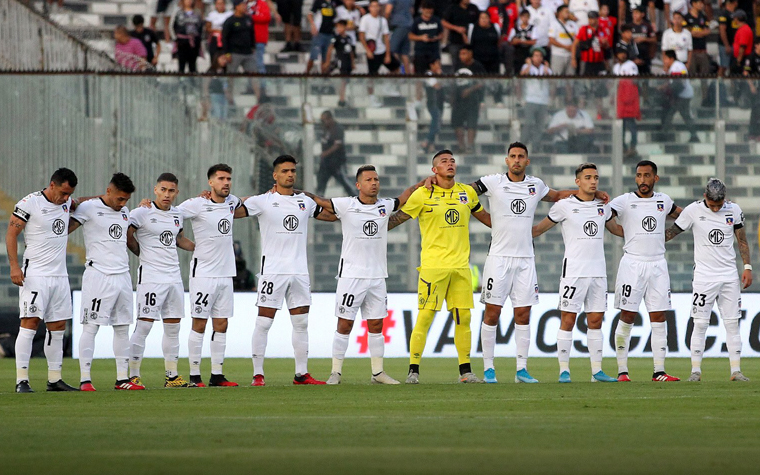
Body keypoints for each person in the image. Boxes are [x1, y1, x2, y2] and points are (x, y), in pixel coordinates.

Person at [474, 142, 609, 383]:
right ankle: (488, 368)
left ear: (527, 161)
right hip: (498, 258)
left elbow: (557, 195)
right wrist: (485, 217)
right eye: (513, 156)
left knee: (523, 314)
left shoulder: (535, 185)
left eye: (521, 156)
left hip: (526, 258)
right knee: (492, 313)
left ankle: (521, 370)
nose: (516, 160)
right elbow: (465, 192)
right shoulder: (493, 182)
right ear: (507, 160)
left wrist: (591, 193)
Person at [302, 166, 421, 385]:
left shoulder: (385, 205)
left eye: (376, 179)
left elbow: (403, 198)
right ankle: (335, 372)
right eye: (368, 179)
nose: (374, 183)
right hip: (351, 276)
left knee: (376, 325)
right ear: (358, 185)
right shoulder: (346, 205)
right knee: (344, 324)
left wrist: (423, 183)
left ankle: (378, 373)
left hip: (377, 277)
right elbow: (322, 202)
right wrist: (304, 195)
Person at [386, 150, 492, 384]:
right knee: (425, 317)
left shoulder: (467, 192)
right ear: (434, 170)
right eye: (444, 161)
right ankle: (413, 370)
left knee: (463, 318)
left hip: (461, 268)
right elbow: (398, 218)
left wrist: (509, 229)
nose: (450, 164)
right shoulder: (423, 194)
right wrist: (371, 229)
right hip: (433, 268)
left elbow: (485, 217)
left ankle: (465, 372)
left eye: (452, 160)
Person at [242, 155, 337, 386]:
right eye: (285, 171)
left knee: (301, 323)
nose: (290, 174)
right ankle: (258, 374)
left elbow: (332, 215)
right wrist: (212, 198)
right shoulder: (262, 201)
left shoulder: (305, 202)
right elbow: (231, 209)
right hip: (273, 271)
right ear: (275, 175)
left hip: (299, 271)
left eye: (293, 171)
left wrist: (318, 199)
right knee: (264, 322)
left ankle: (301, 374)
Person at [531, 163, 623, 383]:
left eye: (596, 178)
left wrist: (647, 234)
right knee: (568, 319)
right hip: (573, 271)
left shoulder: (604, 207)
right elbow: (538, 229)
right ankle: (564, 370)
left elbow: (617, 230)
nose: (593, 181)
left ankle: (596, 371)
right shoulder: (564, 206)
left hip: (598, 272)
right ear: (578, 182)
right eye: (588, 177)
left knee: (596, 321)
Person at [664, 178, 753, 382]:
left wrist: (747, 267)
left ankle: (736, 371)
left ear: (725, 199)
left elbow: (742, 240)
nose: (715, 209)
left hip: (729, 275)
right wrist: (649, 240)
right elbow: (672, 233)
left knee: (732, 323)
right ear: (705, 197)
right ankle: (695, 371)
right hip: (704, 277)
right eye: (712, 205)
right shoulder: (693, 211)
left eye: (719, 205)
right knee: (700, 323)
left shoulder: (734, 210)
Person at [610, 160, 682, 382]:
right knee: (627, 315)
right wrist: (624, 232)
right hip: (632, 264)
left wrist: (668, 235)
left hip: (658, 265)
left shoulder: (663, 200)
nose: (642, 180)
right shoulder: (624, 201)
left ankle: (659, 371)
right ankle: (623, 371)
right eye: (639, 175)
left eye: (647, 175)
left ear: (655, 178)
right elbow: (604, 216)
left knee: (659, 316)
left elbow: (685, 216)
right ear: (635, 178)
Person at [69, 173, 143, 391]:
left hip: (123, 277)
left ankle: (122, 379)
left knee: (122, 328)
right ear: (108, 192)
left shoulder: (125, 212)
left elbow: (129, 239)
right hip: (98, 276)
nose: (123, 204)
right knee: (91, 327)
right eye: (120, 199)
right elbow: (64, 228)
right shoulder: (88, 208)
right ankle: (85, 380)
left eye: (126, 200)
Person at [9, 168, 79, 393]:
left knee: (58, 326)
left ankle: (54, 379)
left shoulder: (66, 203)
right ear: (52, 185)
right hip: (36, 274)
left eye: (69, 194)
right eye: (64, 193)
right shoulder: (30, 203)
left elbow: (81, 202)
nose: (66, 198)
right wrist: (14, 267)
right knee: (30, 323)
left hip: (60, 276)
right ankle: (22, 380)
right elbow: (11, 234)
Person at [126, 174, 195, 389]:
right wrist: (141, 253)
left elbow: (179, 239)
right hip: (151, 278)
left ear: (177, 193)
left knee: (173, 328)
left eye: (171, 191)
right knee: (144, 326)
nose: (167, 194)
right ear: (155, 190)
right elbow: (128, 236)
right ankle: (133, 375)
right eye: (163, 190)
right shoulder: (141, 212)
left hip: (174, 278)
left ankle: (172, 376)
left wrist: (202, 248)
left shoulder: (177, 214)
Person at [177, 164, 242, 388]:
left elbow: (248, 201)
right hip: (203, 272)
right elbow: (171, 215)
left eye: (229, 179)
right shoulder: (197, 204)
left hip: (226, 273)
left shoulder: (232, 202)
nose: (226, 183)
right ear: (210, 182)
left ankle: (217, 375)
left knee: (222, 323)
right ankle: (195, 375)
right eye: (221, 179)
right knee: (199, 322)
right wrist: (183, 240)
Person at [360, 0, 401, 106]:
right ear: (369, 7)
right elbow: (362, 36)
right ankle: (371, 97)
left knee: (396, 67)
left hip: (381, 49)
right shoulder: (365, 19)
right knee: (372, 75)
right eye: (373, 6)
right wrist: (367, 50)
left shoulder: (382, 20)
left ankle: (388, 86)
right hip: (372, 51)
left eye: (377, 6)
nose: (375, 8)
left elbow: (386, 38)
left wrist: (387, 54)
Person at [452, 46, 487, 153]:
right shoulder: (458, 65)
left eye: (464, 53)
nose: (462, 56)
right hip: (459, 100)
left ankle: (470, 146)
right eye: (460, 54)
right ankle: (461, 146)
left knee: (472, 123)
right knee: (457, 123)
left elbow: (482, 82)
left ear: (470, 54)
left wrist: (470, 90)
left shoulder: (477, 66)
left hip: (473, 100)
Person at [660, 49, 700, 143]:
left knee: (670, 113)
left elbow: (678, 84)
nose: (664, 61)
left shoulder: (677, 66)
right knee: (685, 115)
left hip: (682, 95)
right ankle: (694, 136)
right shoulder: (674, 66)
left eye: (665, 59)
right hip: (682, 95)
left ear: (671, 58)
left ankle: (664, 135)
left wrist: (674, 97)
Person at [316, 111, 355, 196]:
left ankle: (356, 197)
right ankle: (318, 201)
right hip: (326, 163)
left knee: (345, 181)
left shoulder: (337, 129)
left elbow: (337, 145)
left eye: (324, 120)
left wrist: (325, 153)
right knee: (321, 182)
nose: (322, 123)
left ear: (330, 119)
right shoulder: (325, 129)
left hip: (337, 161)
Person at [520, 47, 552, 150]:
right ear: (532, 57)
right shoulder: (527, 67)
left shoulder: (545, 68)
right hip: (530, 99)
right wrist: (529, 64)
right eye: (536, 56)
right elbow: (522, 75)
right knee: (529, 123)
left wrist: (547, 68)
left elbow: (551, 80)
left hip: (543, 100)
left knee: (540, 125)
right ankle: (523, 144)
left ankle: (535, 146)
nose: (538, 58)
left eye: (540, 56)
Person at [613, 44, 641, 158]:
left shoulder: (631, 65)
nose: (623, 55)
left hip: (630, 98)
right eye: (620, 53)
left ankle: (633, 146)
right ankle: (623, 147)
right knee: (622, 126)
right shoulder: (615, 67)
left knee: (631, 124)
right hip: (620, 99)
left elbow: (634, 81)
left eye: (624, 53)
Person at [468, 11, 502, 103]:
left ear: (489, 19)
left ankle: (498, 99)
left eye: (485, 17)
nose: (483, 20)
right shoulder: (473, 28)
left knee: (496, 79)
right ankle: (480, 99)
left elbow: (499, 42)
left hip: (493, 59)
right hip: (479, 59)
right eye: (481, 18)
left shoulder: (495, 27)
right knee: (480, 80)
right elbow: (470, 43)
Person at [323, 20, 355, 106]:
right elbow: (330, 49)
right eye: (337, 27)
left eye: (340, 26)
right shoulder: (336, 38)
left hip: (347, 61)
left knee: (346, 80)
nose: (338, 29)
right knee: (343, 80)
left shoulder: (348, 38)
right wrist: (327, 61)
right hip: (340, 60)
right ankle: (341, 98)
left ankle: (345, 96)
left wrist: (353, 62)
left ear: (345, 27)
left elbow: (351, 51)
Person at [442, 0, 481, 68]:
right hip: (455, 41)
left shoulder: (473, 8)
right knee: (456, 64)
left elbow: (479, 22)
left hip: (471, 42)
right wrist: (456, 28)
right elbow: (443, 22)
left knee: (472, 64)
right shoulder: (453, 8)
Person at [572, 10, 611, 76]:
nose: (590, 20)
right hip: (586, 61)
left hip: (599, 61)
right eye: (589, 18)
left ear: (597, 19)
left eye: (592, 18)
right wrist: (573, 58)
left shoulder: (602, 29)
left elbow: (607, 47)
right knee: (585, 80)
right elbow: (575, 44)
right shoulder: (584, 29)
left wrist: (605, 43)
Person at [409, 1, 443, 74]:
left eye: (430, 12)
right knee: (419, 75)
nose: (429, 14)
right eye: (427, 11)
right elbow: (410, 36)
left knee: (437, 72)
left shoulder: (436, 20)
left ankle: (438, 85)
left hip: (434, 51)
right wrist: (421, 38)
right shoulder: (417, 21)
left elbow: (441, 34)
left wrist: (436, 38)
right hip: (420, 52)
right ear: (423, 10)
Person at [223, 0, 256, 74]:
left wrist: (253, 46)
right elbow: (225, 37)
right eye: (242, 5)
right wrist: (227, 53)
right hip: (235, 52)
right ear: (237, 6)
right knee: (231, 74)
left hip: (248, 52)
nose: (245, 7)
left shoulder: (248, 19)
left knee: (253, 75)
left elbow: (252, 34)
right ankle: (230, 86)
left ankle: (255, 86)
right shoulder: (230, 21)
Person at [307, 0, 339, 74]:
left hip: (330, 33)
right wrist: (313, 25)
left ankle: (323, 76)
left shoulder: (334, 3)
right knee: (314, 55)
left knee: (325, 58)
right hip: (319, 33)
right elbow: (310, 14)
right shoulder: (319, 2)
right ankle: (307, 73)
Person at [173, 0, 204, 73]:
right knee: (181, 64)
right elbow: (172, 26)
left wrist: (198, 39)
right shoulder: (178, 12)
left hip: (194, 42)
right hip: (182, 41)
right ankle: (180, 82)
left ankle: (193, 82)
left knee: (192, 64)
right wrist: (175, 38)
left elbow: (201, 27)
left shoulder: (197, 13)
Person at [420, 58, 445, 153]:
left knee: (437, 122)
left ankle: (431, 145)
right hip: (432, 101)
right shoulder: (429, 75)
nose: (439, 67)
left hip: (439, 101)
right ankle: (426, 141)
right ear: (431, 65)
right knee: (436, 121)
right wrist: (439, 76)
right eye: (437, 64)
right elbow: (437, 86)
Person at [386, 0, 415, 73]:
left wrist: (385, 20)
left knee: (393, 50)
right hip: (408, 24)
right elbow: (412, 10)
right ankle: (408, 75)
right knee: (404, 53)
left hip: (398, 25)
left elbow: (388, 11)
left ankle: (396, 73)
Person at [548, 5, 578, 75]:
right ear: (560, 13)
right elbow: (551, 40)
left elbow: (577, 38)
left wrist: (573, 47)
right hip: (558, 55)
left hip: (571, 55)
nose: (568, 14)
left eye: (568, 12)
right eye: (566, 12)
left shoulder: (573, 24)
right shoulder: (554, 24)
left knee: (570, 78)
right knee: (556, 77)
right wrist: (565, 47)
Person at [684, 0, 711, 76]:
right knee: (691, 74)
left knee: (705, 74)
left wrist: (696, 33)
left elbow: (707, 31)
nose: (701, 5)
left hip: (702, 50)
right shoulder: (687, 17)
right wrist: (701, 33)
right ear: (694, 4)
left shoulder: (703, 17)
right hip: (692, 51)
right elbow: (688, 33)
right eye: (699, 3)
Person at [628, 5, 656, 75]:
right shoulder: (629, 26)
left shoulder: (647, 26)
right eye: (633, 13)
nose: (634, 15)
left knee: (645, 77)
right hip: (633, 57)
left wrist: (644, 39)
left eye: (637, 13)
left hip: (645, 57)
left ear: (642, 14)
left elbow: (654, 39)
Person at [509, 9, 537, 75]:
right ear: (521, 17)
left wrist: (521, 41)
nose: (525, 18)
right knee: (517, 71)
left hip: (528, 52)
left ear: (529, 18)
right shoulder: (515, 28)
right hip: (517, 53)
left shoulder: (532, 28)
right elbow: (510, 41)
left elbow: (533, 42)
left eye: (527, 16)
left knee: (528, 71)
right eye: (524, 16)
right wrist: (515, 42)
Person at [718, 0, 740, 76]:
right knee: (724, 66)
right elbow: (722, 30)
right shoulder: (724, 14)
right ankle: (719, 84)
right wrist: (726, 45)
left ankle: (732, 85)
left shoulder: (735, 14)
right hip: (725, 44)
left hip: (734, 44)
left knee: (733, 66)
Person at [744, 40, 760, 140]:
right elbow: (746, 73)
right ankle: (753, 133)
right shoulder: (751, 57)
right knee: (756, 111)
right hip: (755, 89)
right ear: (757, 45)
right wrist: (751, 86)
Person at [250, 0, 272, 75]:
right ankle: (250, 85)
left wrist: (251, 17)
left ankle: (262, 85)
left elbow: (266, 17)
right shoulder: (243, 4)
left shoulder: (262, 4)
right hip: (245, 40)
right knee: (249, 65)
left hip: (259, 38)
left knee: (259, 63)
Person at [732, 10, 754, 75]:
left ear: (737, 18)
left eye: (735, 18)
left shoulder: (744, 30)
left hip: (742, 59)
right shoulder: (742, 29)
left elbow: (742, 46)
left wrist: (738, 61)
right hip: (740, 57)